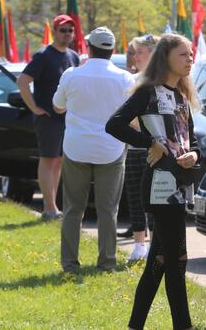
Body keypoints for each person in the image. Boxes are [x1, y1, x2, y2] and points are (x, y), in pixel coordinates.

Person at [106, 34, 201, 330]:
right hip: (160, 188)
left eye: (191, 54)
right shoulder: (148, 92)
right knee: (178, 260)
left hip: (181, 186)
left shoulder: (181, 98)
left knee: (159, 262)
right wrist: (149, 142)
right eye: (183, 55)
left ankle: (134, 326)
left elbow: (192, 142)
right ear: (166, 58)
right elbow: (114, 124)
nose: (190, 59)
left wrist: (194, 156)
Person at [53, 27, 135, 273]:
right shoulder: (124, 79)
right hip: (110, 148)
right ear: (112, 50)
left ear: (89, 47)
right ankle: (107, 262)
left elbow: (58, 107)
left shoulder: (71, 74)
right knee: (108, 210)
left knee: (72, 209)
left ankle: (69, 264)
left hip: (76, 147)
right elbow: (132, 118)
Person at [17, 14, 80, 221]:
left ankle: (53, 205)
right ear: (55, 31)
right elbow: (23, 81)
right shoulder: (44, 55)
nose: (67, 34)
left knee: (60, 161)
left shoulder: (73, 56)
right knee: (48, 159)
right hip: (48, 118)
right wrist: (34, 108)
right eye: (63, 30)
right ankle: (49, 207)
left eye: (70, 30)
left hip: (66, 118)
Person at [117, 34, 160, 262]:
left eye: (140, 51)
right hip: (134, 147)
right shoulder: (130, 79)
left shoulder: (161, 79)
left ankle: (155, 243)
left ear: (153, 53)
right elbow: (124, 116)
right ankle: (138, 244)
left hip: (156, 148)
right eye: (135, 52)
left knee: (154, 198)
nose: (136, 56)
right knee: (134, 196)